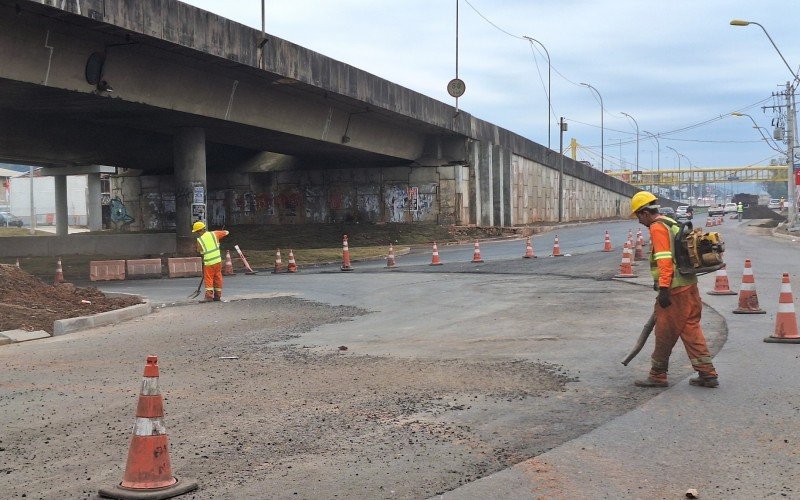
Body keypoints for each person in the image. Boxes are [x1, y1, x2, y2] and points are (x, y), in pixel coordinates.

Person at [630, 191, 719, 388]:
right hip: (689, 285)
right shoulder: (671, 222)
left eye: (638, 216)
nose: (639, 221)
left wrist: (663, 289)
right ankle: (707, 373)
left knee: (664, 332)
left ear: (645, 212)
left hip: (674, 290)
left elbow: (664, 260)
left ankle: (657, 375)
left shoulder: (657, 227)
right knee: (690, 329)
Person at [192, 221, 230, 302]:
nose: (197, 234)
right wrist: (219, 233)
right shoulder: (214, 234)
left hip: (209, 262)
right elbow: (226, 232)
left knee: (209, 278)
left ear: (199, 231)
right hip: (218, 261)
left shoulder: (200, 240)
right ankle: (217, 296)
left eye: (197, 232)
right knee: (218, 277)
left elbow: (200, 251)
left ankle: (209, 297)